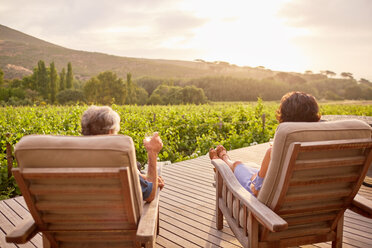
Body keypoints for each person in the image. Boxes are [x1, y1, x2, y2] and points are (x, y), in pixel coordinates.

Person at [209, 91, 320, 196]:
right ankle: (225, 161)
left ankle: (223, 161)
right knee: (249, 167)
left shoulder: (275, 152)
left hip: (266, 206)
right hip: (308, 200)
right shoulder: (322, 148)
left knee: (238, 165)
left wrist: (254, 179)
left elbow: (256, 190)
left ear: (284, 116)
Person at [81, 105, 164, 202]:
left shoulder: (72, 156)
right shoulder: (116, 159)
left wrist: (141, 177)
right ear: (110, 132)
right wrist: (152, 152)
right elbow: (150, 194)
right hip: (116, 216)